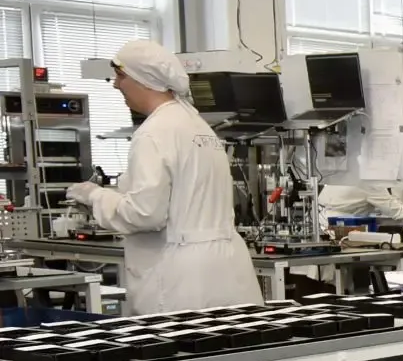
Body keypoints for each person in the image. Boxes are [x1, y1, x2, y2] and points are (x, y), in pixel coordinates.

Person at [64, 41, 262, 315]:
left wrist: (96, 197)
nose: (116, 85)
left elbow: (145, 214)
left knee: (183, 342)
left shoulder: (153, 133)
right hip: (226, 267)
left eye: (120, 76)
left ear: (143, 79)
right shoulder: (198, 126)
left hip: (181, 276)